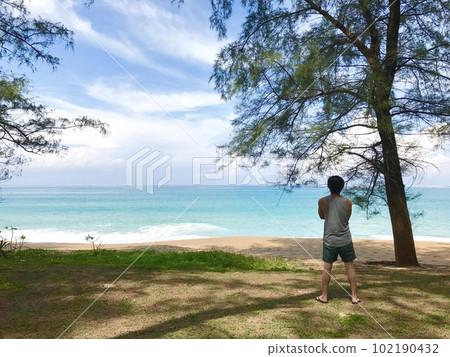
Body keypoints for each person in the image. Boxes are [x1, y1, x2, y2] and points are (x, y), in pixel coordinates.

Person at [316, 175, 360, 304]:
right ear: (342, 187)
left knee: (327, 267)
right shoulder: (347, 202)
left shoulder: (322, 201)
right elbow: (346, 219)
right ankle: (354, 296)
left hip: (330, 240)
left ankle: (324, 296)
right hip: (345, 239)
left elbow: (321, 216)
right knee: (350, 267)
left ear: (329, 186)